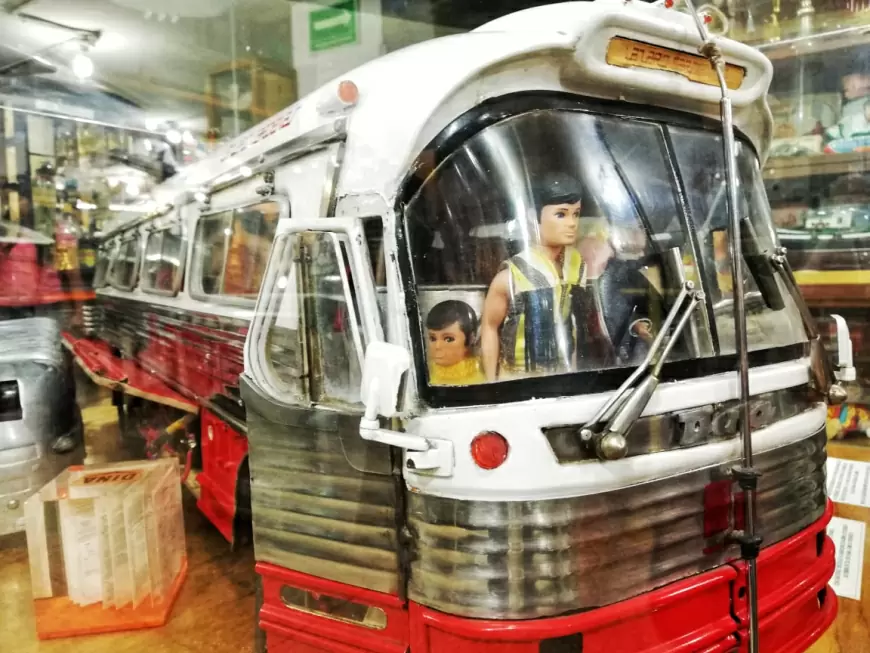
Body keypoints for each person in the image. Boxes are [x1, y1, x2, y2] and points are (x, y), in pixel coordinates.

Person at [480, 173, 612, 381]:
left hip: (565, 375)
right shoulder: (513, 274)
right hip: (519, 378)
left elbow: (575, 326)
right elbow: (489, 327)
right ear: (535, 218)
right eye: (561, 214)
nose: (572, 223)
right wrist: (490, 384)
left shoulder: (578, 268)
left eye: (575, 214)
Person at [426, 300, 484, 386]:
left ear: (471, 339)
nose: (437, 346)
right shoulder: (424, 373)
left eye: (448, 339)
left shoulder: (479, 379)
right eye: (433, 338)